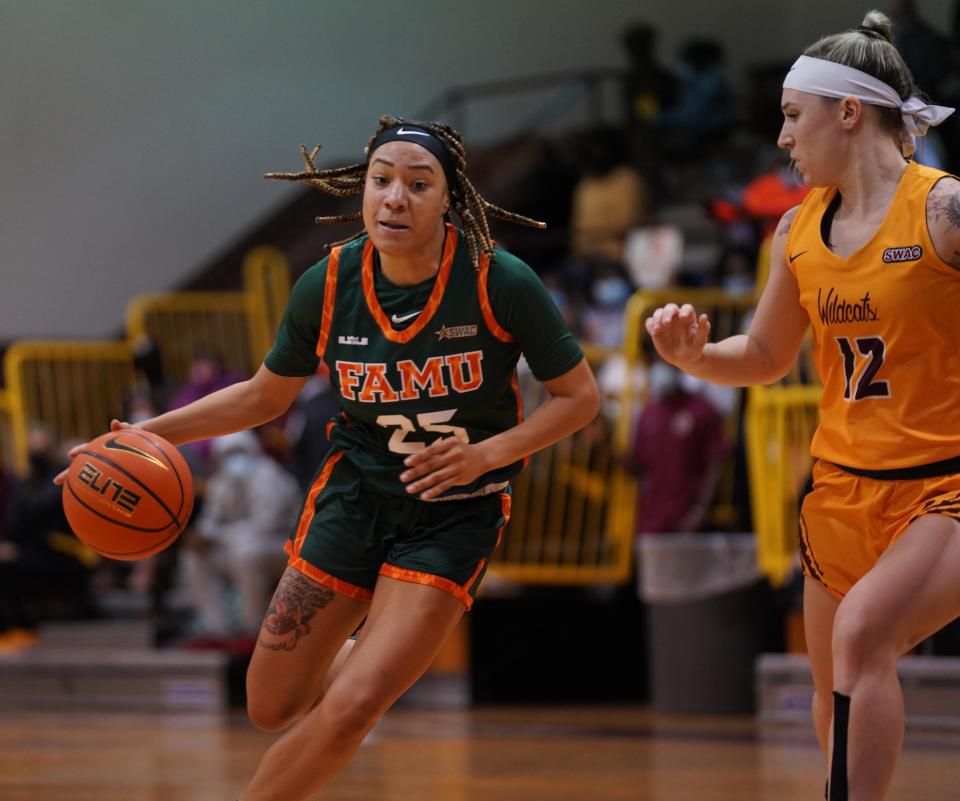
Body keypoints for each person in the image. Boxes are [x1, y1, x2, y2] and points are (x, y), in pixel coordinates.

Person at [58, 115, 599, 801]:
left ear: (448, 199)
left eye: (417, 183)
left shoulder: (499, 279)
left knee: (351, 708)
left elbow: (579, 398)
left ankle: (360, 681)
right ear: (364, 190)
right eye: (381, 181)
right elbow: (262, 396)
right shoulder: (328, 281)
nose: (395, 197)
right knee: (270, 706)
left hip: (453, 516)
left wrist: (486, 453)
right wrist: (138, 435)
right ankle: (360, 655)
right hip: (353, 500)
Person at [646, 12, 957, 800]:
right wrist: (692, 356)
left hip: (944, 487)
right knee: (833, 690)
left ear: (847, 113)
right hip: (840, 491)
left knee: (862, 637)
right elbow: (764, 355)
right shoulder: (792, 230)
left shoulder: (945, 211)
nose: (782, 139)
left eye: (792, 116)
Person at [180, 430, 302, 644]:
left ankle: (252, 628)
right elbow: (211, 520)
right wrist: (202, 536)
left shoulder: (268, 475)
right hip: (241, 545)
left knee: (245, 552)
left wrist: (215, 537)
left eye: (238, 451)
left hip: (284, 548)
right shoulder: (221, 482)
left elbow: (266, 525)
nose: (234, 458)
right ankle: (216, 627)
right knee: (194, 558)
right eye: (228, 453)